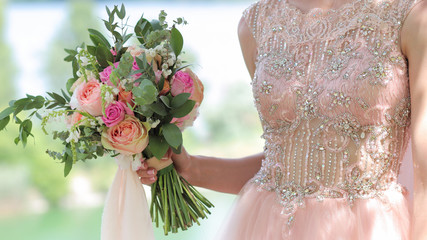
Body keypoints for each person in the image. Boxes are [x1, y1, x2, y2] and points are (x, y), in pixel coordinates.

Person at [139, 0, 427, 239]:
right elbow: (283, 164)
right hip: (269, 226)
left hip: (369, 229)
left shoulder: (411, 15)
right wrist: (191, 168)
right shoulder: (256, 24)